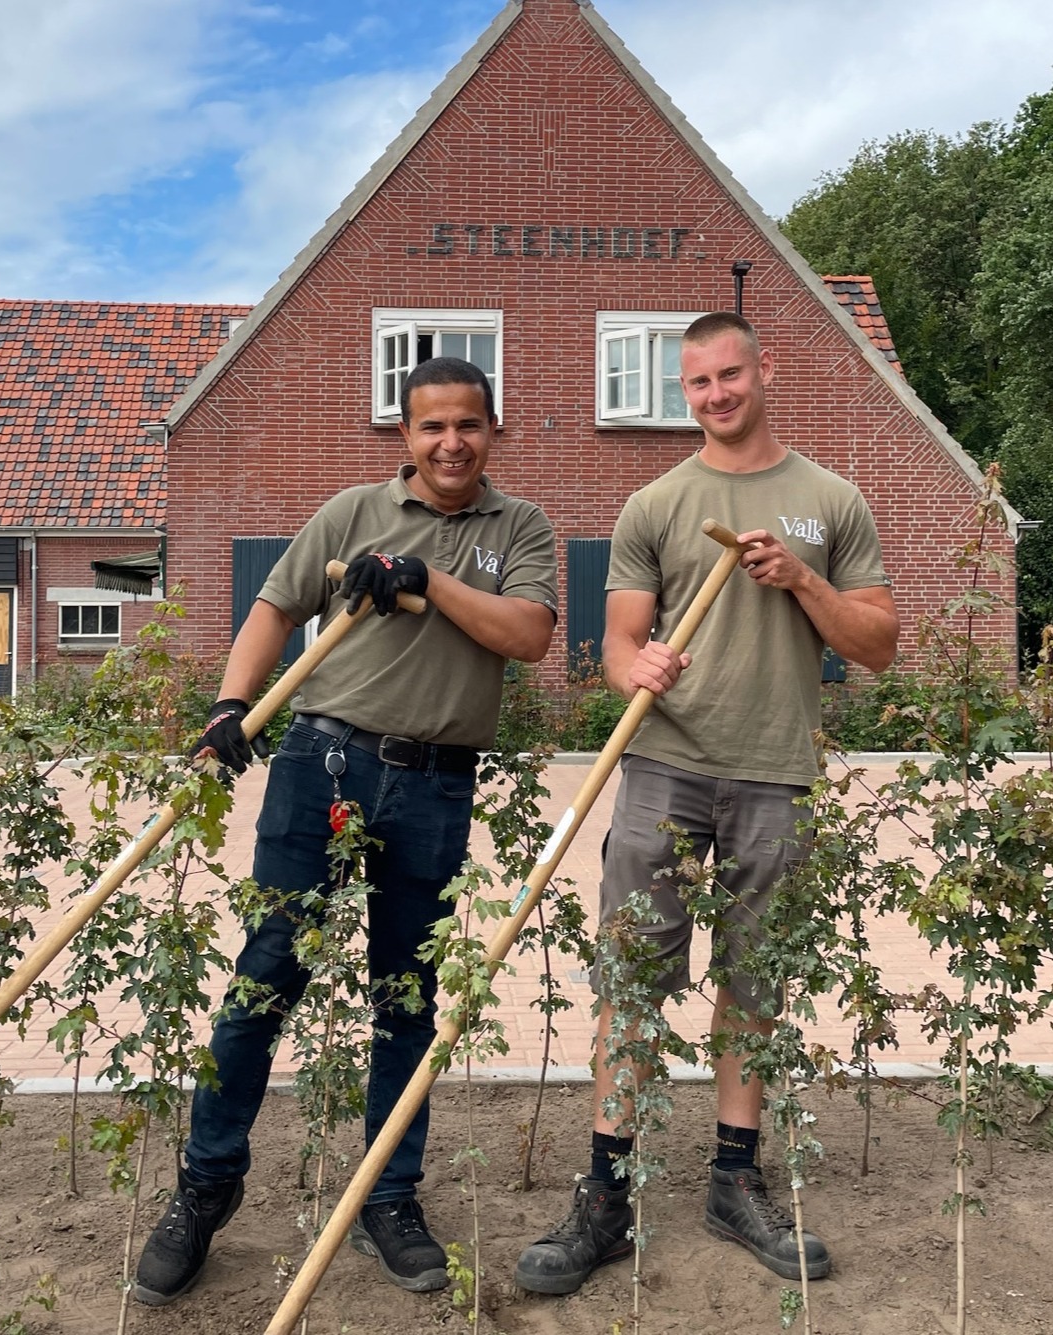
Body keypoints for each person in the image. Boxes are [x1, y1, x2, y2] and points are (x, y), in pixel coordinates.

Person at [133, 357, 557, 1306]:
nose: (452, 442)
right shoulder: (348, 512)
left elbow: (527, 635)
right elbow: (275, 607)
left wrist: (425, 580)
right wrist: (231, 705)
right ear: (404, 435)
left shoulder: (517, 526)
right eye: (432, 426)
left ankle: (388, 1198)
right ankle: (204, 1188)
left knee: (405, 996)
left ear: (493, 430)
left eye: (470, 425)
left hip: (436, 786)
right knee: (267, 972)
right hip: (321, 764)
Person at [514, 311, 898, 1295]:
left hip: (774, 774)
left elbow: (878, 643)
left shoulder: (830, 499)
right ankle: (606, 1196)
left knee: (751, 984)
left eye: (731, 375)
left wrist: (800, 579)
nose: (717, 395)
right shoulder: (654, 504)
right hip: (663, 771)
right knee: (631, 983)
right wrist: (630, 663)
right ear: (683, 392)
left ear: (764, 372)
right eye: (699, 384)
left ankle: (734, 1177)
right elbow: (612, 649)